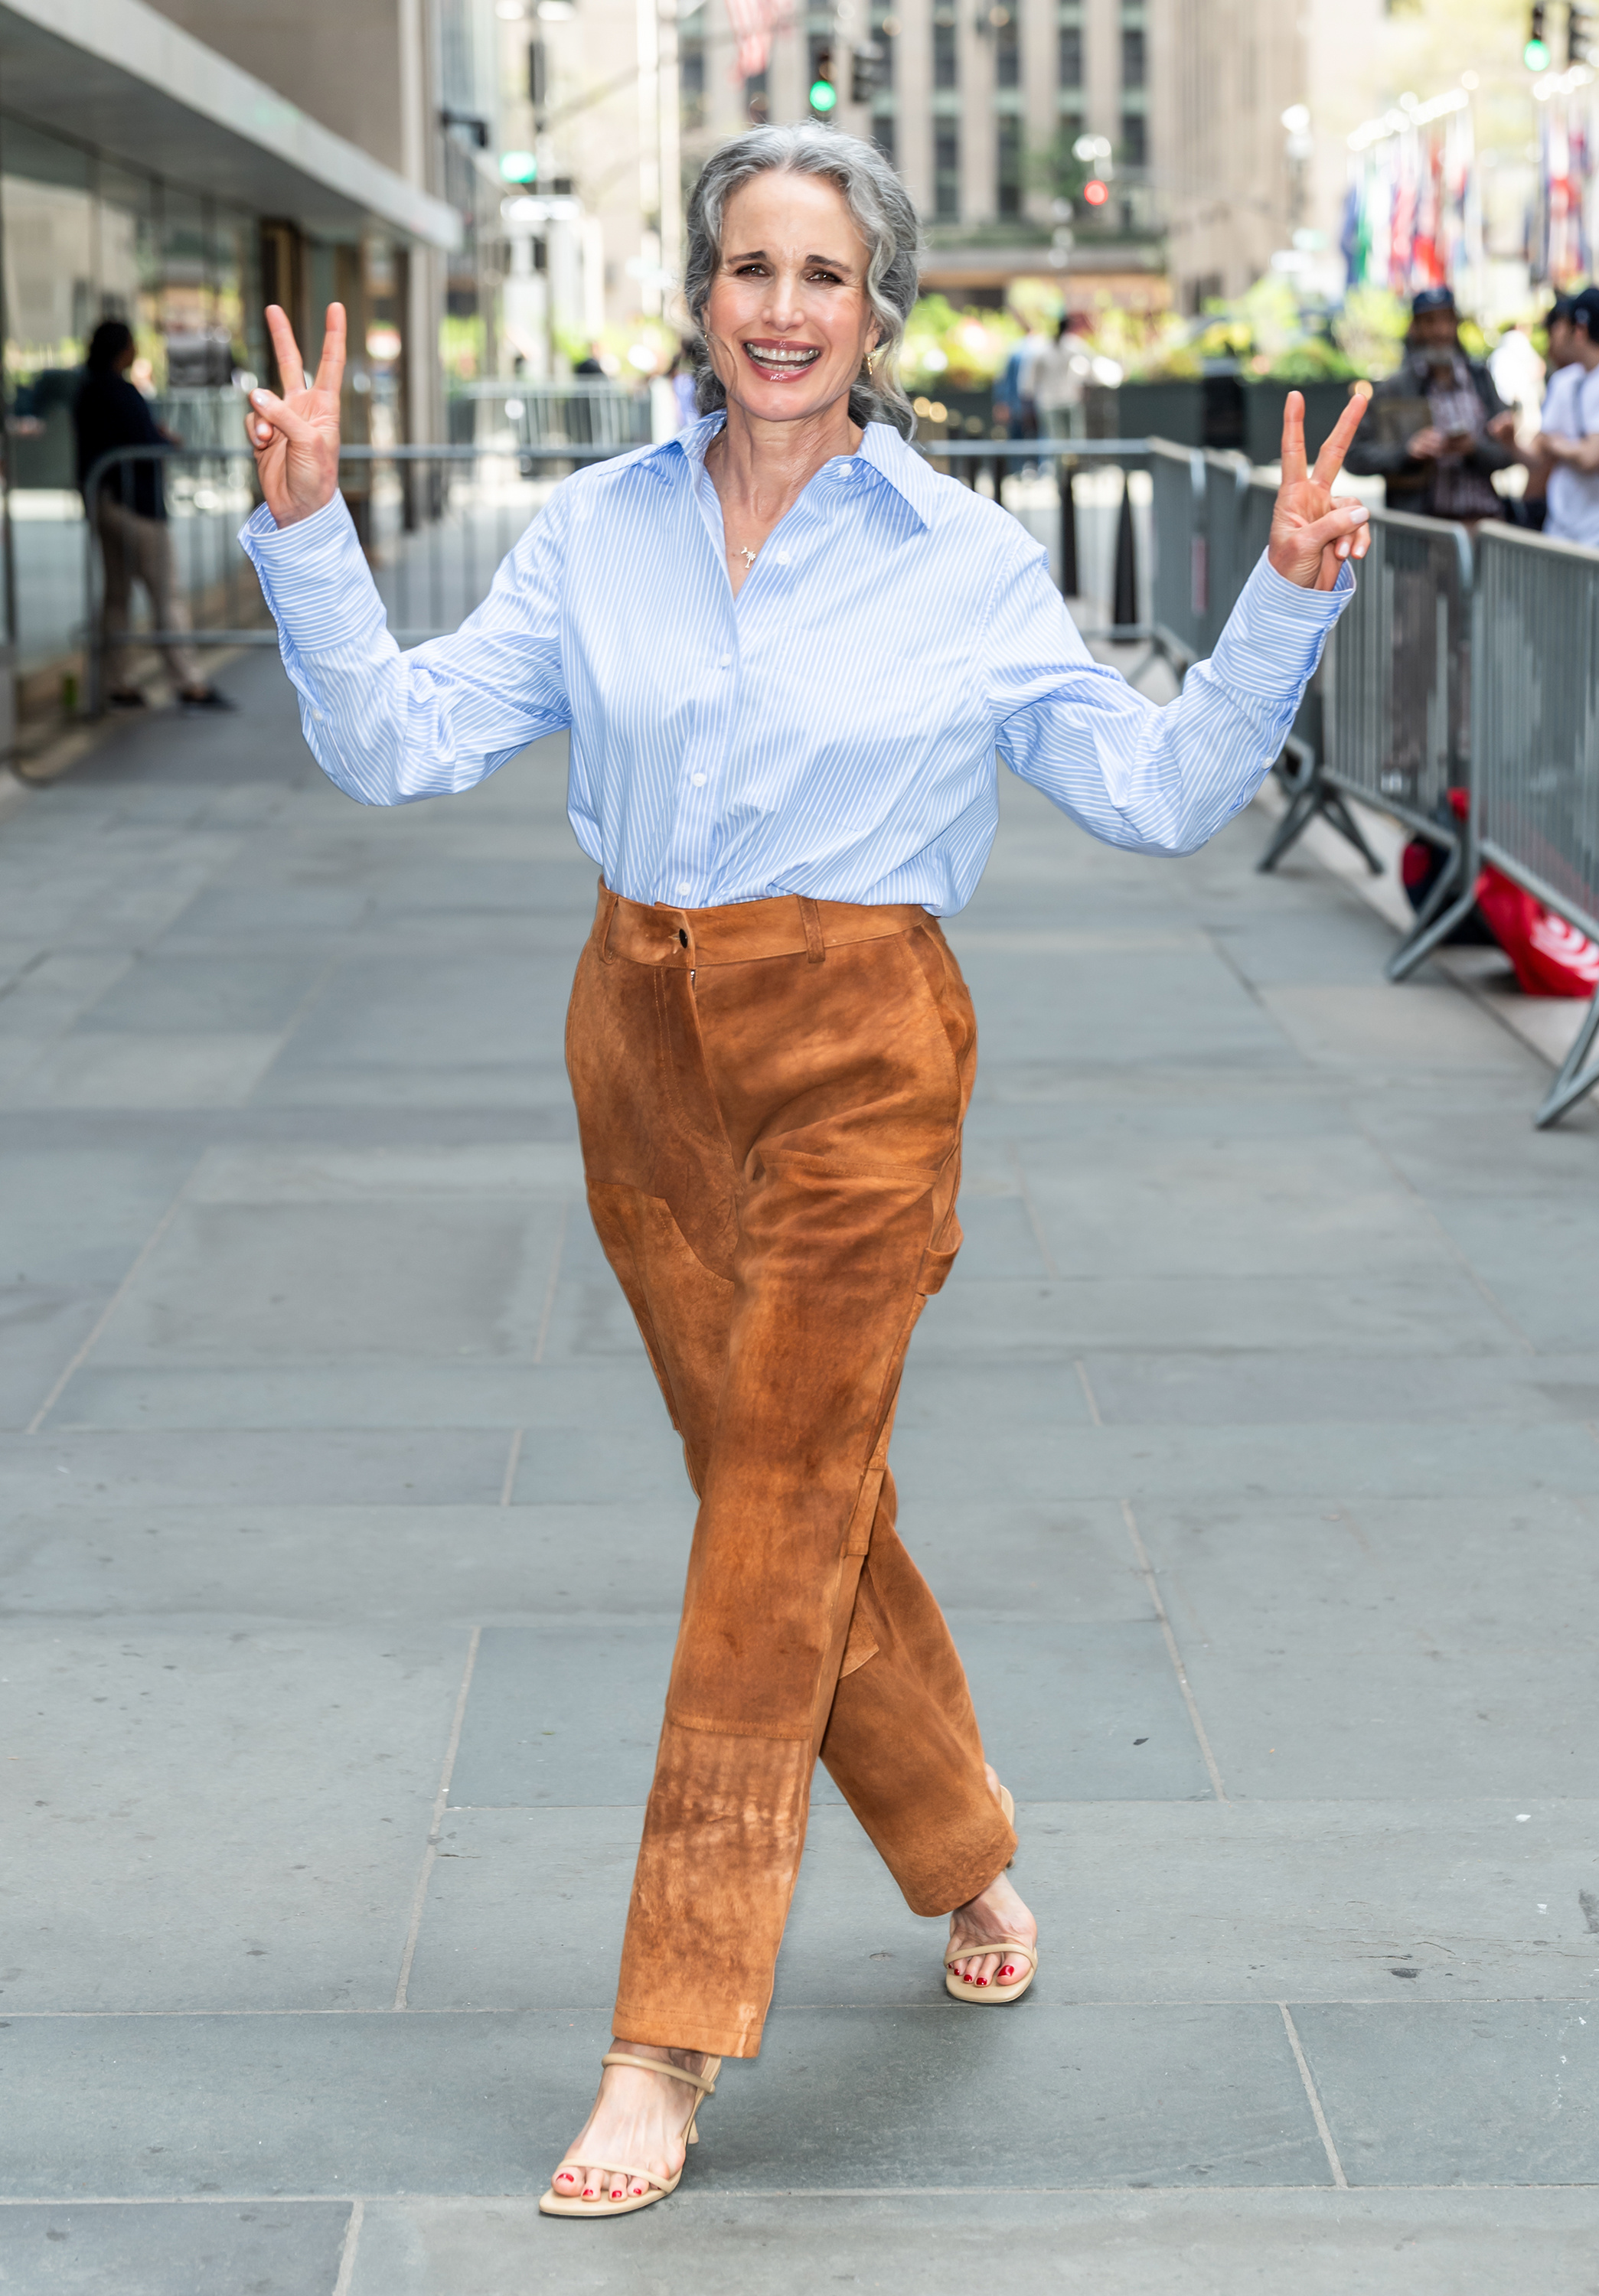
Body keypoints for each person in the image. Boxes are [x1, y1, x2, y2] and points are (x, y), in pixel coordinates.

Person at [238, 124, 1369, 2219]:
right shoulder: (594, 535)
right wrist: (307, 534)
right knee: (806, 1505)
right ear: (698, 294)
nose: (779, 309)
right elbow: (392, 744)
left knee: (768, 1526)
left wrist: (1280, 611)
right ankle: (965, 1849)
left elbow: (1147, 793)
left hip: (861, 1062)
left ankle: (665, 2037)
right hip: (642, 1060)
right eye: (747, 267)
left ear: (880, 310)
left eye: (821, 276)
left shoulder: (960, 559)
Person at [73, 320, 233, 710]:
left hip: (103, 501)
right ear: (123, 350)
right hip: (136, 506)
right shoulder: (121, 393)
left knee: (116, 595)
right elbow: (144, 439)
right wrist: (165, 439)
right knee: (166, 594)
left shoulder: (87, 392)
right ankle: (188, 681)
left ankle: (115, 681)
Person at [1345, 285, 1515, 525]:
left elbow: (1507, 454)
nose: (1440, 331)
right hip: (1424, 534)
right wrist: (1407, 452)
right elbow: (1355, 457)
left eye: (1447, 320)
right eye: (1430, 322)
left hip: (1483, 524)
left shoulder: (1480, 380)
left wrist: (1472, 449)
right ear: (1415, 327)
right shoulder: (1396, 389)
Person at [1507, 285, 1599, 549]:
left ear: (1579, 330)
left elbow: (1590, 458)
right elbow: (1536, 455)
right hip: (1559, 531)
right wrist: (1510, 443)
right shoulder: (1563, 382)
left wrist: (1559, 446)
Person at [1031, 310, 1094, 439]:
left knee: (1074, 436)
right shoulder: (1043, 350)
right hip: (1050, 401)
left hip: (1067, 398)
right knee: (1056, 438)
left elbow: (1089, 364)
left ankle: (1073, 459)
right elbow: (1031, 379)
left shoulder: (1072, 346)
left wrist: (1083, 382)